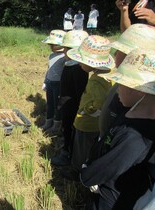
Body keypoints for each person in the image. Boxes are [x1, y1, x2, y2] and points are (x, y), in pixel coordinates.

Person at [80, 48, 155, 210]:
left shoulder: (136, 137)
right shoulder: (129, 112)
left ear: (139, 91)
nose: (117, 89)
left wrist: (87, 176)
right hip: (105, 188)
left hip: (110, 199)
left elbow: (110, 165)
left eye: (121, 84)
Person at [99, 23, 155, 138]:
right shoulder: (125, 86)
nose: (114, 54)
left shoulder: (134, 94)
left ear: (133, 59)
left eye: (120, 51)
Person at [65, 35, 114, 178]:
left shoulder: (96, 81)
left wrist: (86, 110)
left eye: (82, 62)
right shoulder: (109, 74)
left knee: (81, 148)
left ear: (93, 63)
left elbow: (99, 103)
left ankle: (77, 171)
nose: (80, 64)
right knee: (91, 149)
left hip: (86, 122)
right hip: (98, 124)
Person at [50, 30, 89, 166]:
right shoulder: (69, 65)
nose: (63, 51)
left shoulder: (79, 70)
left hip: (73, 106)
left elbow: (79, 93)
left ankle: (68, 154)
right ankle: (66, 147)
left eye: (66, 48)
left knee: (69, 128)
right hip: (66, 103)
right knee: (66, 127)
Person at [40, 30, 66, 134]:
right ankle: (48, 122)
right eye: (50, 45)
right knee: (49, 104)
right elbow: (49, 69)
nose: (51, 47)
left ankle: (56, 124)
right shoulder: (51, 56)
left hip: (58, 84)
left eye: (53, 45)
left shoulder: (65, 57)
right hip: (50, 82)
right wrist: (45, 81)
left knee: (57, 105)